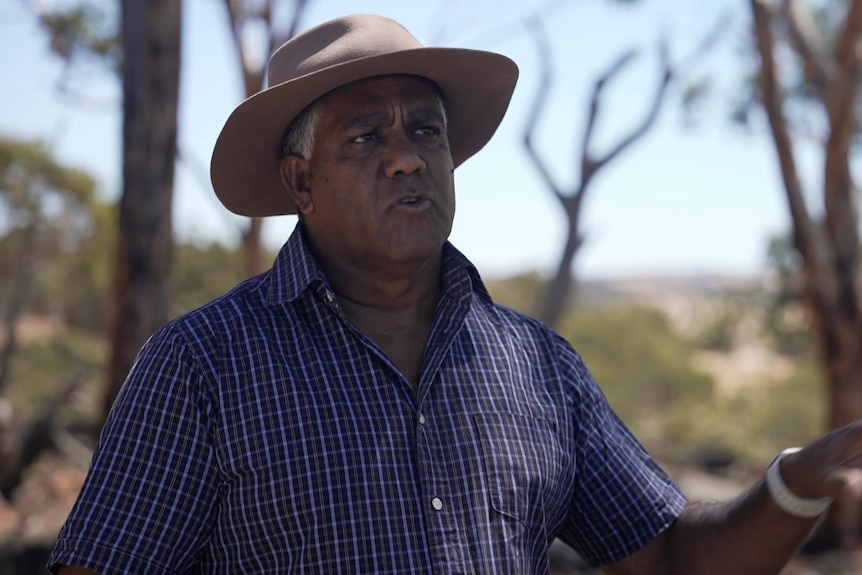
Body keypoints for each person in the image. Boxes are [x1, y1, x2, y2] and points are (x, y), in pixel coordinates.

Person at [49, 13, 862, 575]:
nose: (406, 158)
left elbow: (672, 559)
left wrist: (801, 477)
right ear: (300, 179)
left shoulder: (536, 364)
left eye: (425, 130)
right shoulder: (204, 365)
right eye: (366, 136)